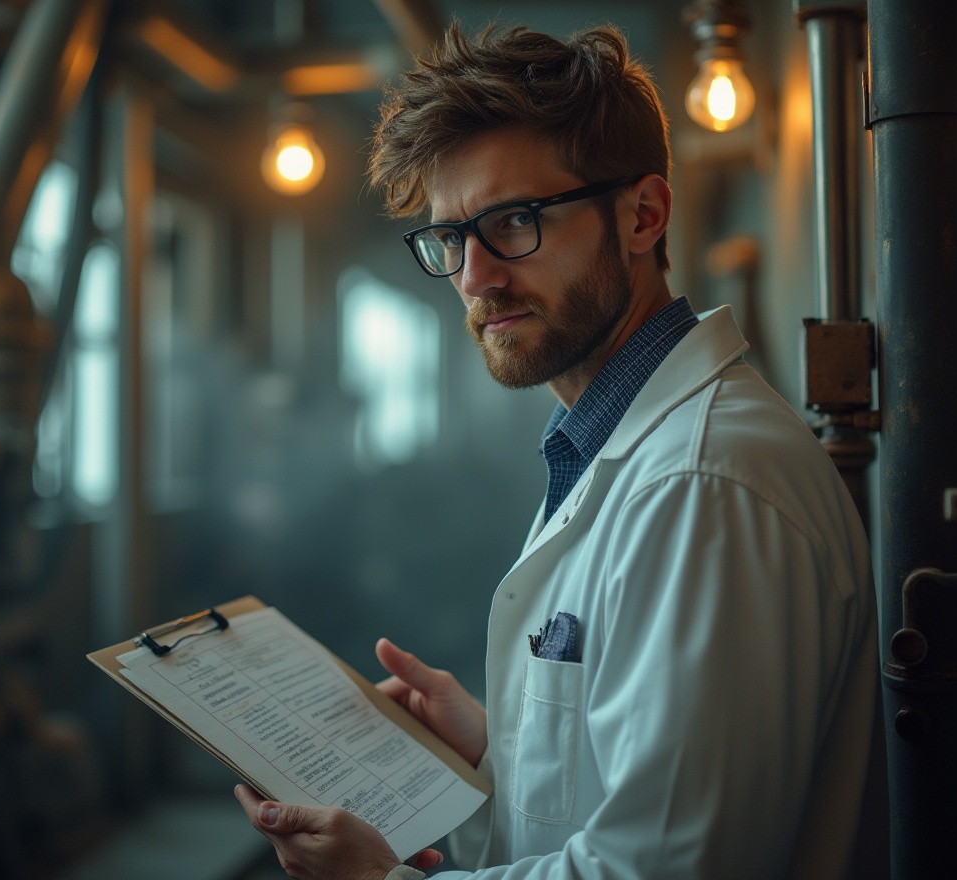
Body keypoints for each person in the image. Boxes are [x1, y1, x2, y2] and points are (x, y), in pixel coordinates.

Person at [235, 20, 887, 880]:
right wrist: (492, 750)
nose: (475, 277)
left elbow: (665, 870)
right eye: (451, 238)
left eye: (514, 221)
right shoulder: (610, 448)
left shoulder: (702, 484)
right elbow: (630, 795)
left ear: (643, 215)